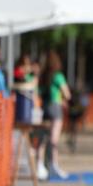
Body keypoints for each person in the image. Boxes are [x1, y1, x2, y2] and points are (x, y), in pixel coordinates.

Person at [40, 51, 71, 179]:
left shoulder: (43, 76)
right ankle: (53, 165)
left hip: (44, 107)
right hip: (55, 107)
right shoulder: (58, 76)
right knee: (54, 139)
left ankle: (40, 165)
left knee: (43, 138)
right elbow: (67, 94)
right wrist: (63, 99)